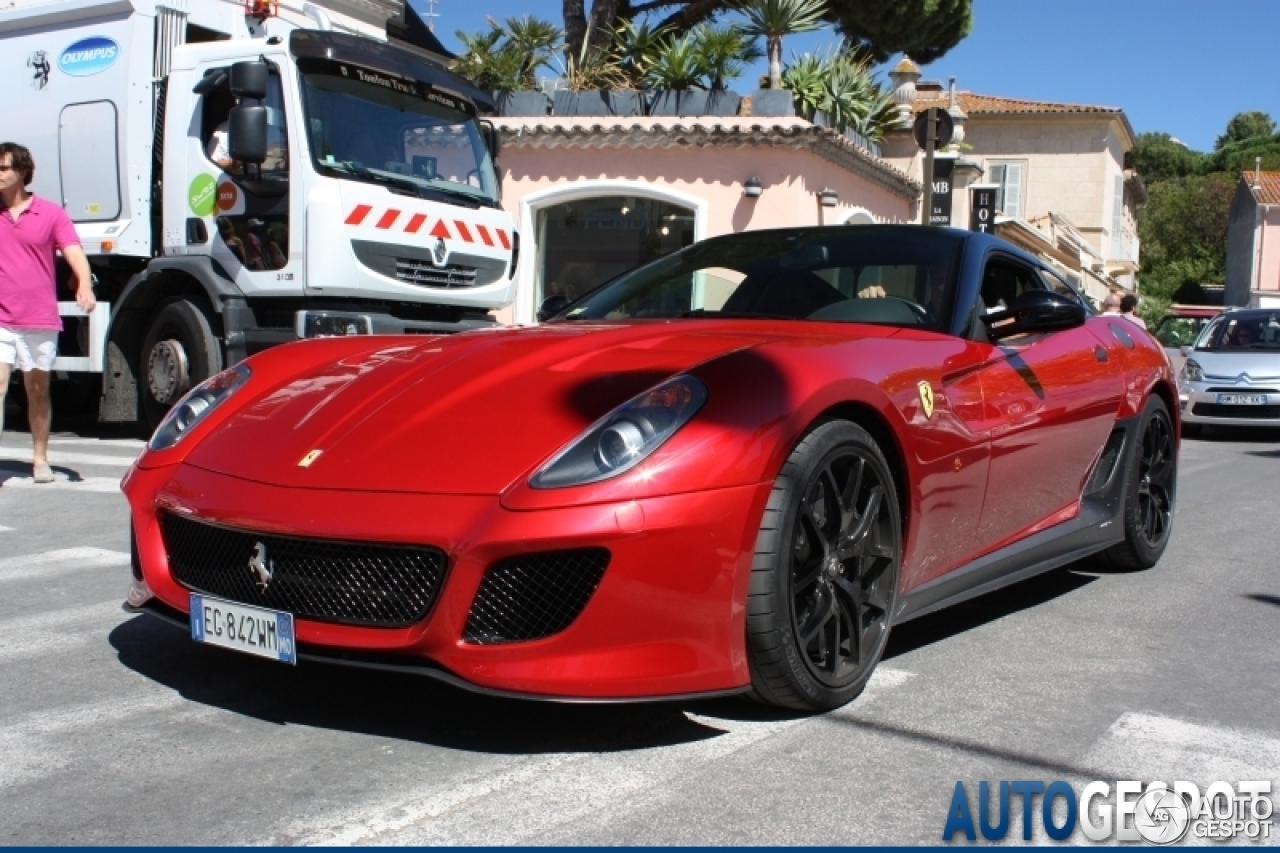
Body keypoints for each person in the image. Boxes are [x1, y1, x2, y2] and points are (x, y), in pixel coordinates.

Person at [0, 142, 95, 483]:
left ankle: (40, 458)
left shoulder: (51, 214)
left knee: (37, 389)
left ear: (22, 172)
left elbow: (74, 252)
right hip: (1, 319)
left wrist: (84, 284)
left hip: (38, 317)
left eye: (3, 169)